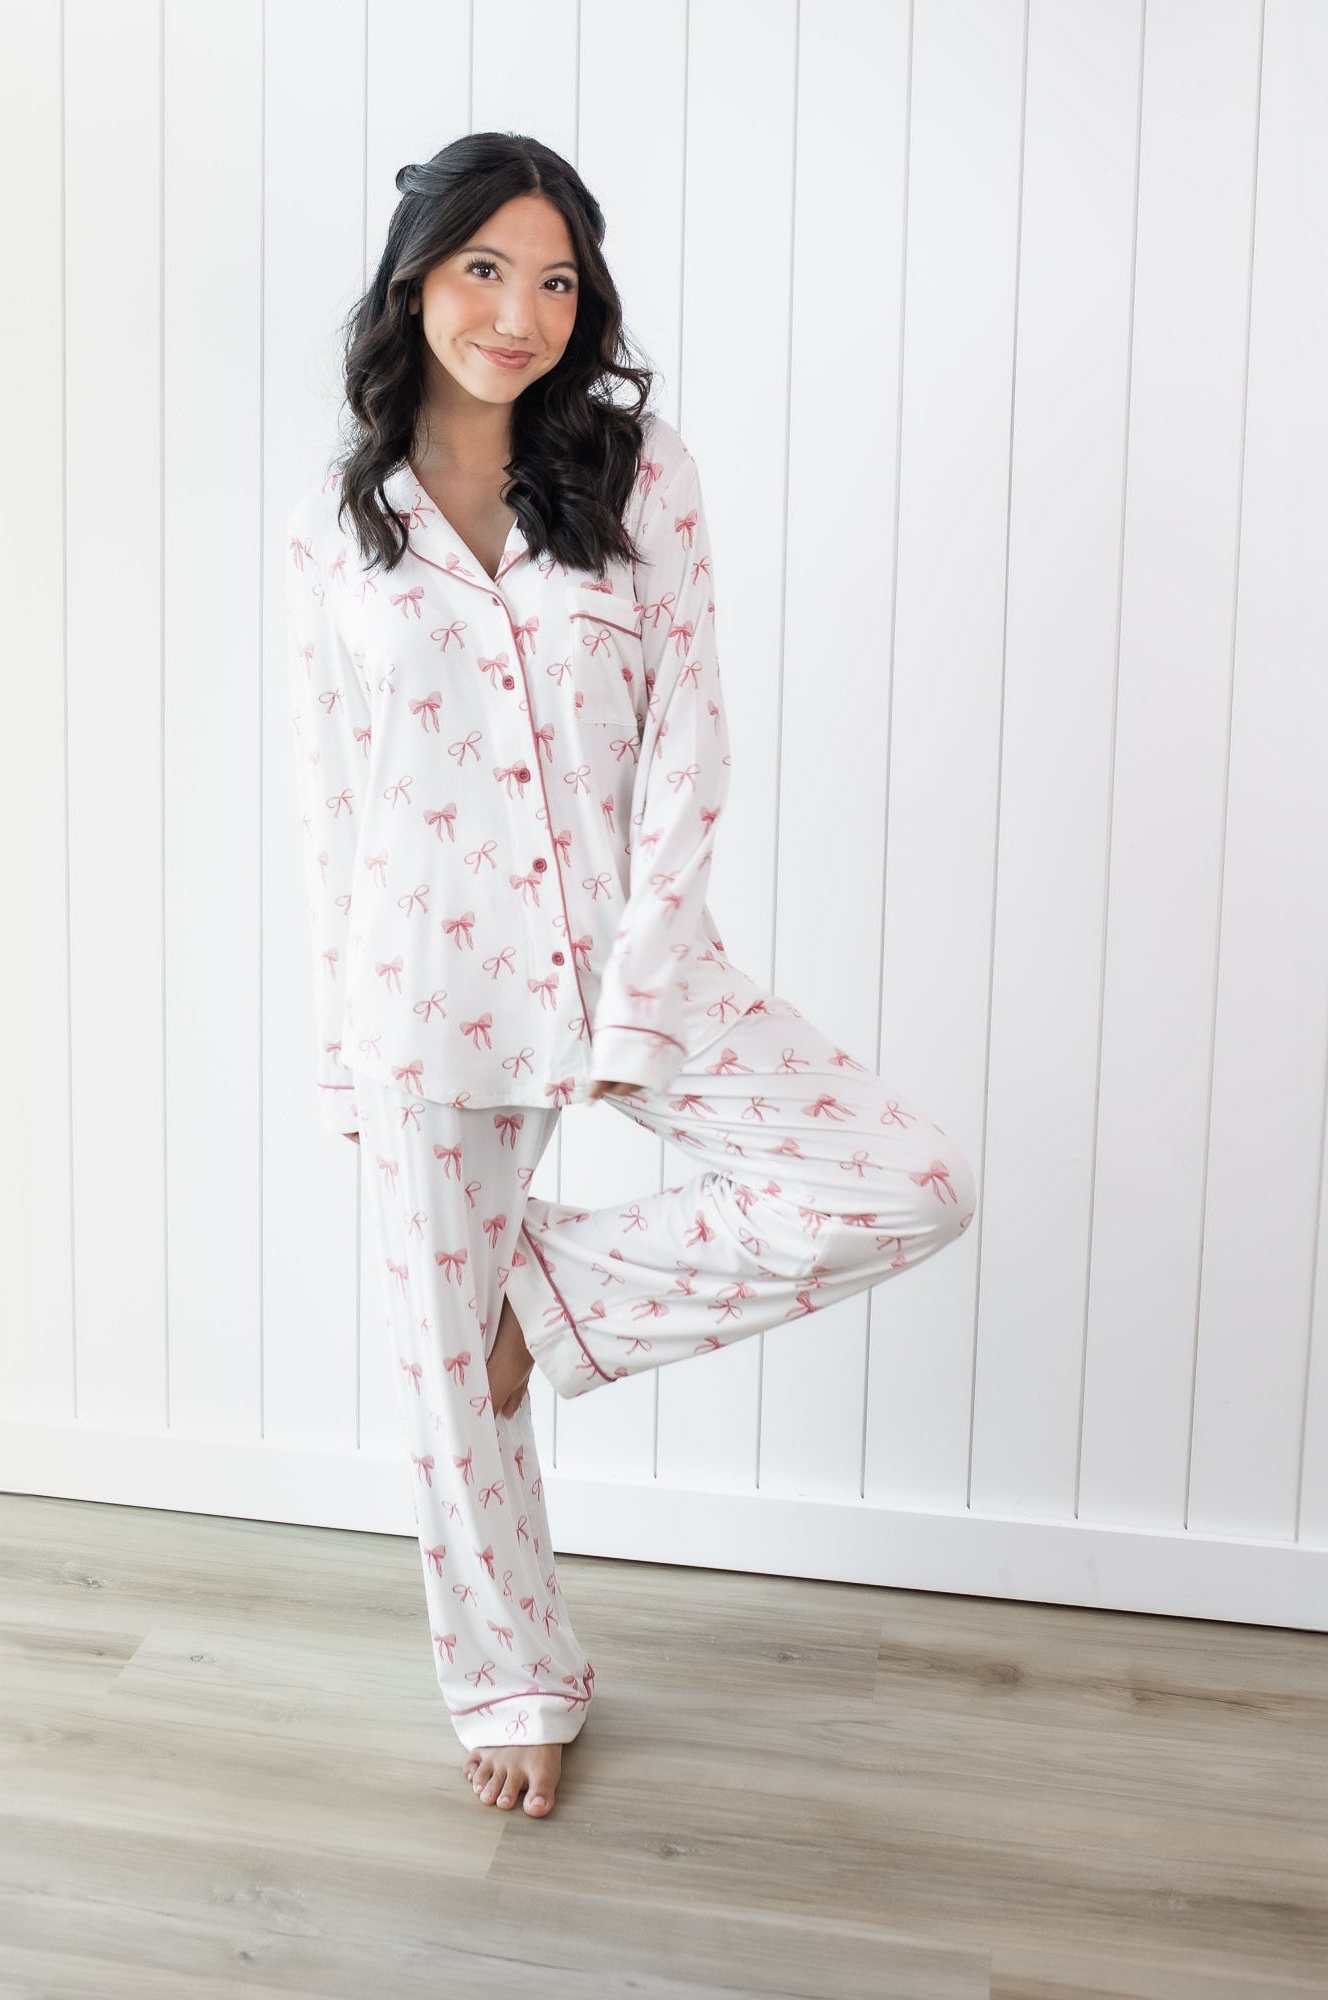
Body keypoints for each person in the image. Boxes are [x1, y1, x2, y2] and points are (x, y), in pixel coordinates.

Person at [284, 132, 976, 1822]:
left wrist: (648, 981)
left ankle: (560, 1303)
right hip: (421, 985)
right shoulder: (342, 518)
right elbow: (332, 788)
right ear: (414, 277)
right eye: (483, 270)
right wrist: (336, 1035)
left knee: (903, 1179)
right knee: (451, 1397)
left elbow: (691, 734)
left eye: (554, 280)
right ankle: (512, 1672)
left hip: (625, 962)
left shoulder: (635, 472)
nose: (518, 312)